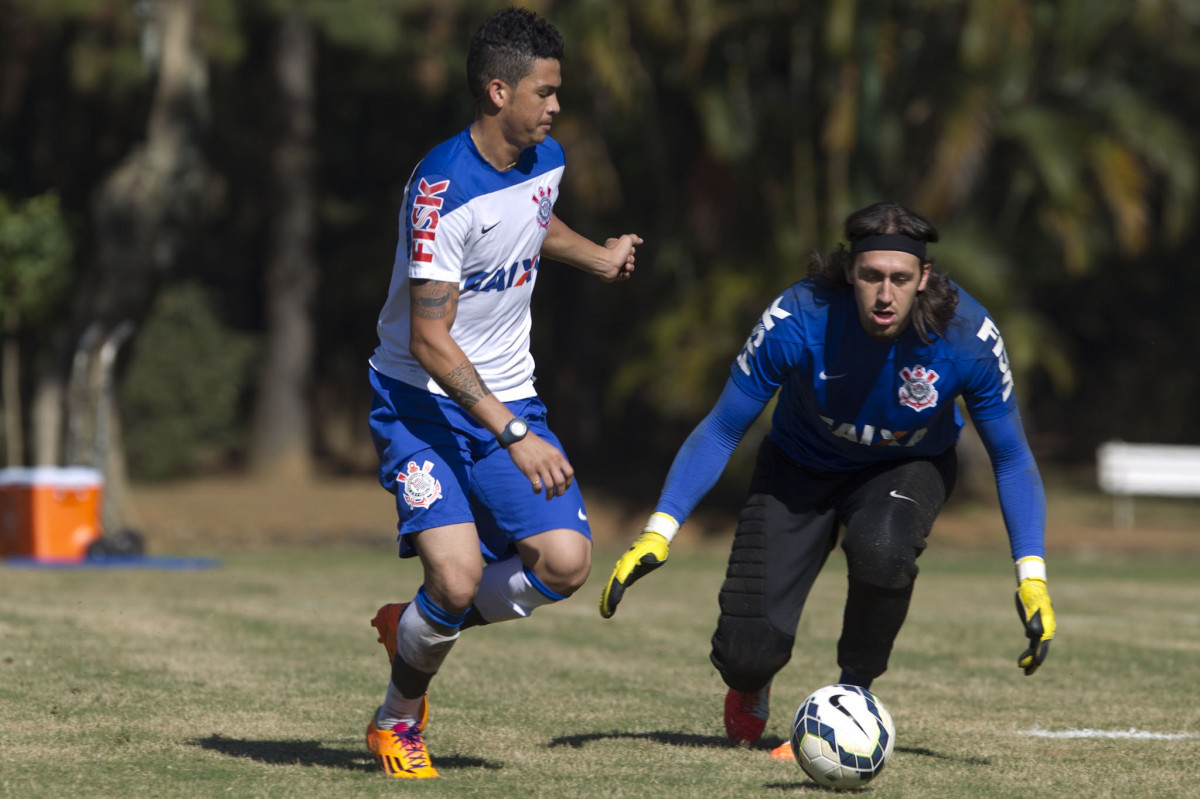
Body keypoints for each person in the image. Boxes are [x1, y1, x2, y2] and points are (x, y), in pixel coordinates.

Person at [598, 201, 1055, 757]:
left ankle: (851, 698)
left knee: (883, 549)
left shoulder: (967, 337)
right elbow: (721, 429)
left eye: (900, 279)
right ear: (849, 273)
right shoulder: (798, 319)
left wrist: (1031, 575)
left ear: (924, 277)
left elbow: (1012, 459)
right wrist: (659, 531)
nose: (885, 295)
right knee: (744, 652)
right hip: (798, 465)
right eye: (871, 277)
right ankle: (751, 683)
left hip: (905, 466)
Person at [365, 7, 641, 779]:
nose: (556, 107)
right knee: (453, 576)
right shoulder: (439, 191)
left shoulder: (543, 159)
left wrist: (597, 256)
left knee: (564, 561)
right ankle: (396, 719)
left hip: (506, 395)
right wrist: (516, 433)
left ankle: (415, 624)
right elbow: (427, 338)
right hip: (419, 403)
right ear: (497, 91)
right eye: (545, 93)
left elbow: (532, 225)